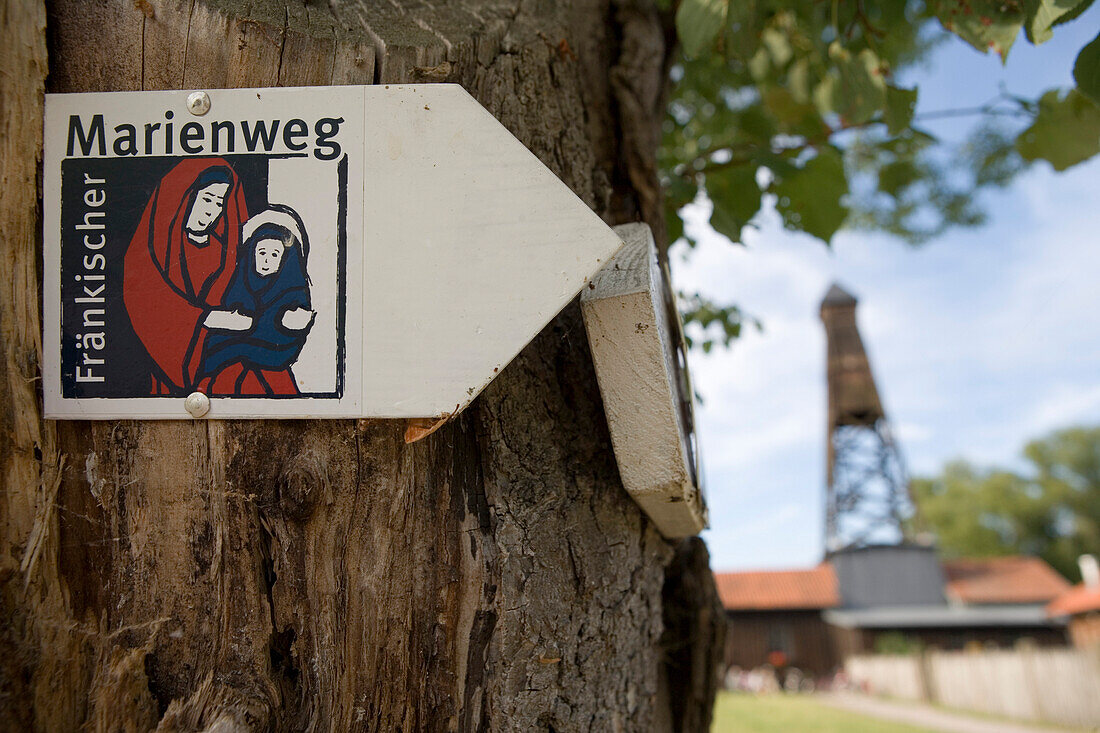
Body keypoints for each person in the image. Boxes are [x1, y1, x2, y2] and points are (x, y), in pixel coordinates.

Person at [123, 158, 251, 395]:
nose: (210, 210)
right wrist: (208, 318)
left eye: (218, 203)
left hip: (222, 368)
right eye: (205, 199)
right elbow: (145, 300)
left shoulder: (225, 255)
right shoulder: (158, 251)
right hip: (170, 373)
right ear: (187, 197)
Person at [198, 206, 315, 396]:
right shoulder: (239, 285)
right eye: (262, 253)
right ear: (252, 253)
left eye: (274, 254)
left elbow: (286, 337)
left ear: (286, 259)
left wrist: (287, 323)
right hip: (226, 364)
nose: (266, 260)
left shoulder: (292, 292)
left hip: (272, 364)